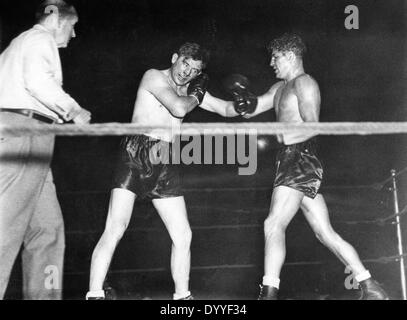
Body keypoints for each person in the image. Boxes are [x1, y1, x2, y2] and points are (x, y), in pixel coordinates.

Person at [225, 33, 389, 300]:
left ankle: (268, 293)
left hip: (300, 156)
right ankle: (370, 286)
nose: (271, 62)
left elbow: (314, 126)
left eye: (275, 57)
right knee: (325, 233)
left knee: (273, 224)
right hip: (289, 159)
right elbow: (251, 109)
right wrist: (236, 97)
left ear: (290, 56)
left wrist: (291, 140)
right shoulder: (280, 88)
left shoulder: (305, 83)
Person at [87, 42, 238, 300]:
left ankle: (182, 297)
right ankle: (94, 294)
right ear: (175, 58)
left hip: (166, 157)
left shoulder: (192, 90)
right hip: (136, 153)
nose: (186, 73)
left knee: (183, 233)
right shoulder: (154, 76)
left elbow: (225, 109)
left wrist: (245, 105)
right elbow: (179, 107)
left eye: (194, 70)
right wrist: (197, 95)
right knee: (116, 227)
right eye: (184, 64)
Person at [0, 0, 91, 300]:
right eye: (73, 26)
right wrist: (73, 109)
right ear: (55, 19)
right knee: (5, 228)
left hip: (36, 136)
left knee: (48, 230)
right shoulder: (39, 38)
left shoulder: (18, 46)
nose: (73, 35)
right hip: (23, 132)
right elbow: (38, 81)